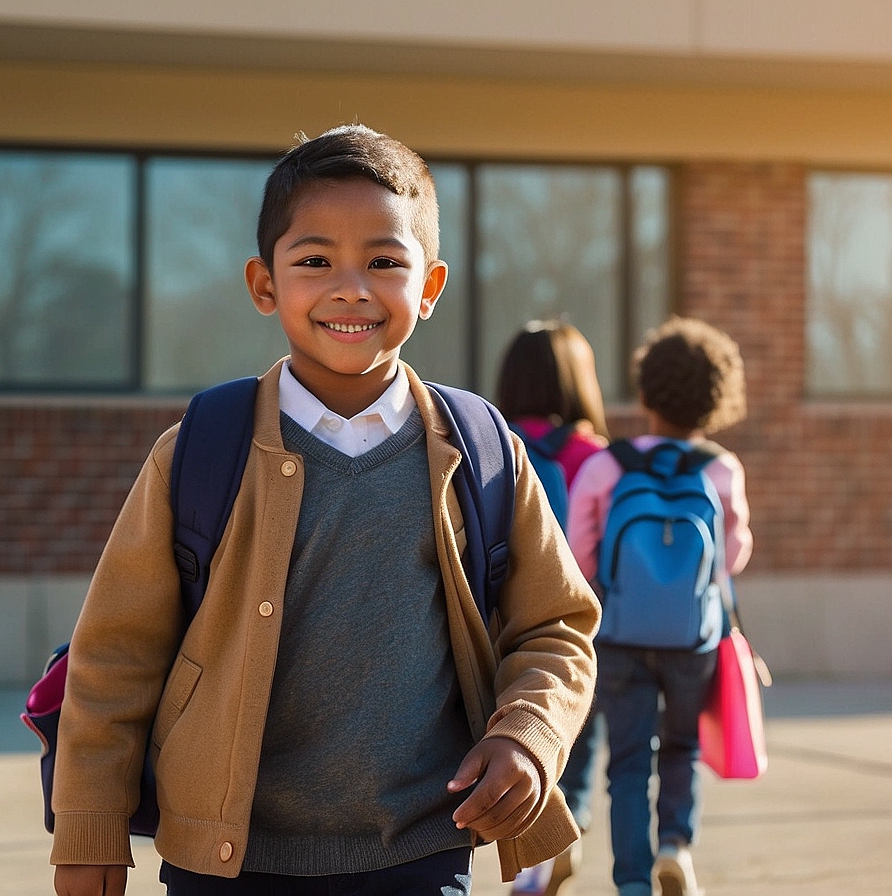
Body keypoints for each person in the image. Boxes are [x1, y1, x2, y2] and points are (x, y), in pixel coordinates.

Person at [49, 124, 601, 896]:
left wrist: (529, 736)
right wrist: (89, 829)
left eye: (385, 262)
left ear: (430, 287)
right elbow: (115, 658)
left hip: (420, 851)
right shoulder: (201, 451)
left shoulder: (481, 452)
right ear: (264, 283)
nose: (352, 288)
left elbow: (556, 625)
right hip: (226, 863)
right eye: (315, 261)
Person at [566, 317, 752, 896]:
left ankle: (631, 883)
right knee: (682, 747)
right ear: (716, 400)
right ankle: (676, 846)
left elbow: (579, 552)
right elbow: (734, 555)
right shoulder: (720, 469)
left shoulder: (607, 465)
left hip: (618, 636)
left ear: (645, 392)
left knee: (626, 766)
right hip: (694, 638)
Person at [494, 320, 609, 896]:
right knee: (572, 727)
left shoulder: (491, 444)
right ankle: (570, 822)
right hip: (576, 621)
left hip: (499, 615)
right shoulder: (594, 456)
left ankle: (534, 854)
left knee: (515, 728)